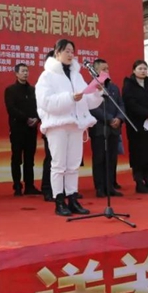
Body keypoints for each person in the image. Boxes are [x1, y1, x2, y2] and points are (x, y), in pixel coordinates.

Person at [36, 39, 102, 217]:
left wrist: (97, 92)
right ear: (57, 52)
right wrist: (70, 97)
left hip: (76, 125)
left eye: (72, 51)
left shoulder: (76, 76)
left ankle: (72, 198)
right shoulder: (47, 76)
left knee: (73, 165)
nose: (70, 54)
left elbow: (87, 101)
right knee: (59, 165)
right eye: (66, 51)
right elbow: (46, 102)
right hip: (57, 126)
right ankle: (59, 200)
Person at [122, 60, 148, 194]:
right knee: (139, 153)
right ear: (134, 70)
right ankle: (139, 182)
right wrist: (146, 114)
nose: (143, 71)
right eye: (140, 68)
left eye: (145, 68)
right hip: (137, 125)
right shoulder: (129, 84)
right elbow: (130, 104)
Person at [4, 63, 41, 196]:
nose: (25, 73)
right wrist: (26, 119)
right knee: (16, 158)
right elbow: (11, 109)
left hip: (31, 129)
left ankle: (29, 185)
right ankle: (17, 186)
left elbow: (40, 107)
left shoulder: (33, 90)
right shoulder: (10, 90)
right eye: (23, 71)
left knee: (29, 159)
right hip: (17, 129)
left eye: (27, 71)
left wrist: (37, 118)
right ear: (16, 73)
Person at [89, 59, 125, 198]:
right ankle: (99, 187)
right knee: (99, 158)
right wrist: (109, 118)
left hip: (114, 128)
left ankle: (110, 187)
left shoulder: (113, 87)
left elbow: (121, 104)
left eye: (108, 68)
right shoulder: (91, 87)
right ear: (96, 71)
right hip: (99, 128)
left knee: (111, 159)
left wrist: (119, 118)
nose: (107, 71)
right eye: (103, 69)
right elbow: (93, 108)